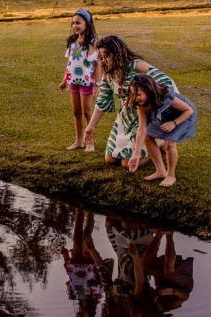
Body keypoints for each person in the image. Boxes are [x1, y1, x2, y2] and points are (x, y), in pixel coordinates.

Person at [83, 36, 176, 169]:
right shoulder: (108, 73)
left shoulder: (136, 65)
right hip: (125, 118)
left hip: (144, 116)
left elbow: (166, 82)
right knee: (110, 160)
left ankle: (158, 141)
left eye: (107, 56)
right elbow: (102, 101)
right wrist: (91, 127)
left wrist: (151, 101)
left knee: (126, 164)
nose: (104, 60)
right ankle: (150, 144)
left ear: (118, 53)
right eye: (102, 57)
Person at [126, 74, 197, 187]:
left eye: (138, 94)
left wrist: (174, 123)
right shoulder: (142, 106)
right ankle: (160, 171)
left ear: (148, 91)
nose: (135, 97)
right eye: (133, 94)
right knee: (147, 136)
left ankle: (170, 175)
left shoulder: (165, 96)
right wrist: (136, 154)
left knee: (170, 142)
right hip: (165, 118)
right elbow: (141, 130)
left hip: (183, 116)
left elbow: (188, 110)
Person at [59, 8, 101, 151]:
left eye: (78, 23)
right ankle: (78, 141)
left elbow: (98, 65)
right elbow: (71, 63)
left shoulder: (92, 43)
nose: (75, 26)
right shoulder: (72, 41)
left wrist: (97, 85)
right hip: (73, 81)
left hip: (87, 81)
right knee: (76, 112)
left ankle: (90, 142)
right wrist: (65, 80)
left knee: (87, 112)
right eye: (73, 23)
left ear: (87, 23)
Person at [61, 209, 102, 317]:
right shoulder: (95, 296)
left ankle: (79, 209)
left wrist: (65, 257)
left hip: (75, 263)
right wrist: (95, 259)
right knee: (86, 236)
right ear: (89, 315)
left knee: (77, 234)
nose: (79, 315)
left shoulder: (74, 295)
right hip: (89, 264)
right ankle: (90, 210)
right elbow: (99, 277)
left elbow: (71, 277)